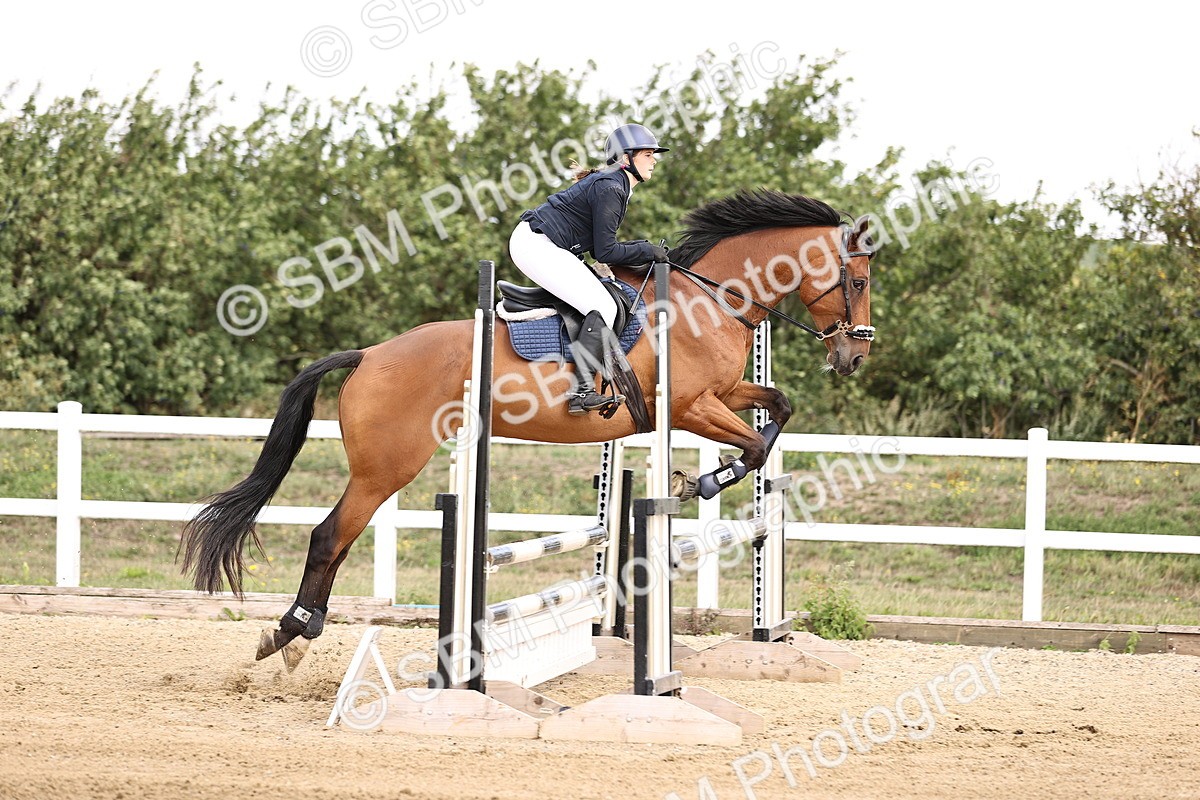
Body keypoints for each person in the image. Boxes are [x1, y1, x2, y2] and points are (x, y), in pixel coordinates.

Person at [509, 122, 670, 415]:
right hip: (536, 245)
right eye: (648, 154)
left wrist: (644, 249)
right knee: (603, 307)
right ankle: (580, 392)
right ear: (626, 159)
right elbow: (605, 251)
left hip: (547, 245)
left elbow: (602, 249)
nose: (654, 159)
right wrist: (648, 250)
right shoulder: (611, 187)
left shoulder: (616, 184)